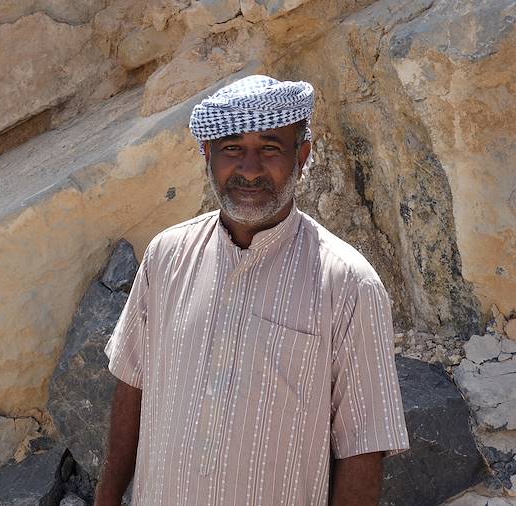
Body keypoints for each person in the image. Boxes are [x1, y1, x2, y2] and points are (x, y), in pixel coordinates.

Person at [97, 75, 409, 506]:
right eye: (231, 149)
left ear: (302, 156)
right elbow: (132, 387)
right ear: (207, 154)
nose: (249, 169)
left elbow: (363, 446)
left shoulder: (349, 284)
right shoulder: (166, 257)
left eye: (269, 148)